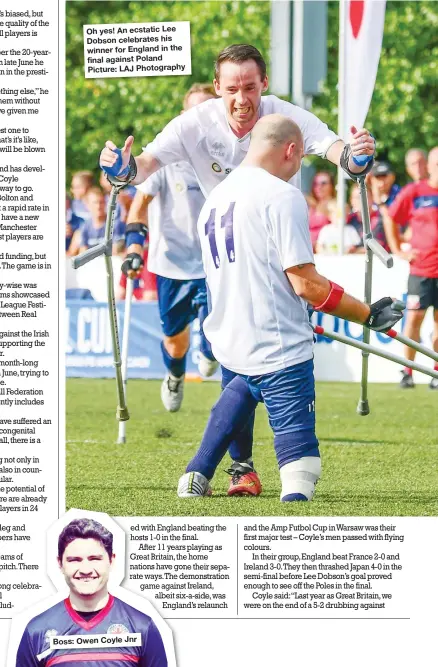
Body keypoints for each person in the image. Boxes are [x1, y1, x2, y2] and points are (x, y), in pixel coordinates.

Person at [100, 43, 376, 495]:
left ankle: (221, 464)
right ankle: (242, 465)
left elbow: (334, 148)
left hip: (265, 242)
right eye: (232, 89)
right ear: (217, 89)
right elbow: (141, 167)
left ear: (263, 85)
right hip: (213, 245)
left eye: (250, 87)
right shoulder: (195, 122)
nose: (241, 99)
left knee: (248, 348)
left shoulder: (283, 115)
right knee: (238, 346)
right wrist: (122, 168)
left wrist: (356, 156)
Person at [176, 115, 402, 500]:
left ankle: (195, 474)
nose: (297, 168)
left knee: (242, 390)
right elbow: (306, 283)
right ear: (292, 150)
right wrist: (368, 314)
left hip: (231, 341)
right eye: (300, 160)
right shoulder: (281, 195)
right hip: (279, 347)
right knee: (302, 470)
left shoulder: (214, 199)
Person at [124, 83, 219, 412]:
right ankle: (175, 374)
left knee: (217, 339)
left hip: (214, 265)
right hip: (171, 266)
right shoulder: (164, 155)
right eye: (194, 111)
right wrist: (135, 246)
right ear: (183, 116)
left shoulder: (229, 155)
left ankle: (209, 351)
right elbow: (139, 205)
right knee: (176, 343)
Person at [16, 518, 168, 666]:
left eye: (94, 558)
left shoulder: (142, 627)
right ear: (60, 564)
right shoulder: (36, 631)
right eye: (74, 560)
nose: (86, 570)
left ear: (111, 560)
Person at [383, 146, 438, 389]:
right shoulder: (414, 191)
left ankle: (436, 372)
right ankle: (408, 371)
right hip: (421, 269)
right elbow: (390, 217)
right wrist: (397, 250)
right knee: (414, 318)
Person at [70, 187, 125, 255]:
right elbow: (83, 254)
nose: (98, 206)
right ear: (87, 205)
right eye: (95, 203)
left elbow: (115, 253)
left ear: (105, 203)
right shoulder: (85, 227)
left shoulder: (114, 225)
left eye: (101, 202)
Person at [306, 171, 338, 250]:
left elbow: (337, 220)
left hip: (324, 249)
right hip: (307, 249)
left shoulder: (334, 204)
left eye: (323, 183)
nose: (319, 187)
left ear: (331, 185)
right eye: (315, 184)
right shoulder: (311, 206)